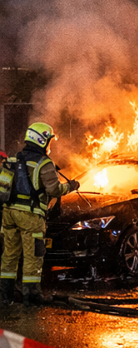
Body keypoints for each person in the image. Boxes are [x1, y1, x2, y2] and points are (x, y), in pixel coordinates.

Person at [1, 123, 79, 306]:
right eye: (49, 141)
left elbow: (2, 188)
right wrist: (71, 186)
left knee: (9, 255)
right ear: (42, 140)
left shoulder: (12, 159)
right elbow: (54, 189)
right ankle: (31, 296)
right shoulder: (44, 163)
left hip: (9, 214)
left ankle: (5, 296)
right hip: (30, 216)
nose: (50, 145)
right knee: (33, 256)